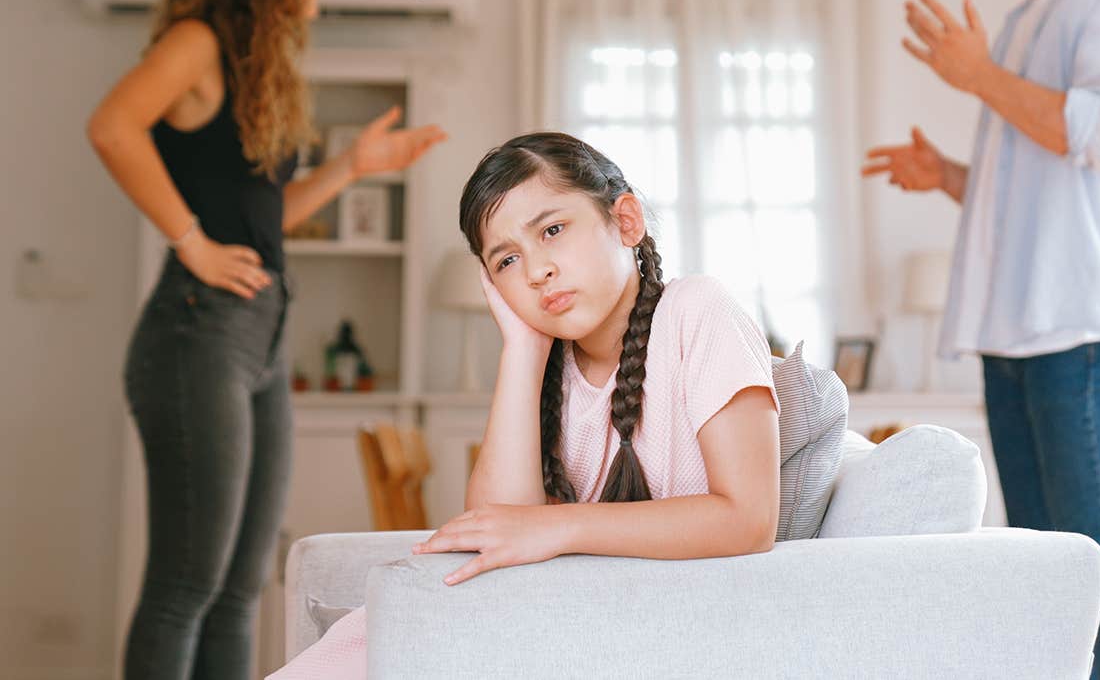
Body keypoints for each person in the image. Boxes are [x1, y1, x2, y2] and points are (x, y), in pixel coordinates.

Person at [269, 132, 781, 677]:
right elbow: (496, 533)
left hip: (668, 628)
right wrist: (523, 348)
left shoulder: (698, 311)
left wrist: (558, 526)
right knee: (377, 633)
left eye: (553, 231)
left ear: (626, 221)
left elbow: (749, 519)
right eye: (508, 261)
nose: (536, 271)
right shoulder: (549, 370)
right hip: (572, 621)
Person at [86, 0, 445, 676]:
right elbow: (113, 126)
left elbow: (264, 217)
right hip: (197, 332)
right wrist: (191, 240)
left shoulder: (257, 69)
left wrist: (353, 165)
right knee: (187, 583)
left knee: (240, 587)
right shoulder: (199, 40)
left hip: (263, 334)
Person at [861, 0, 1100, 677]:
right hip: (1020, 334)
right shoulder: (1026, 18)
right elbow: (1042, 189)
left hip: (1084, 328)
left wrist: (980, 78)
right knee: (1048, 565)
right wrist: (948, 176)